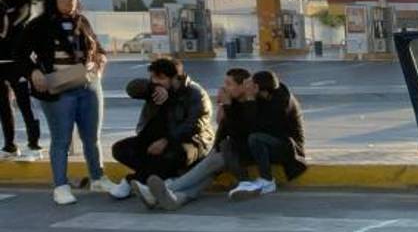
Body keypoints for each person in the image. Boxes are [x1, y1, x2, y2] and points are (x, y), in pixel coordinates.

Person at [20, 0, 115, 204]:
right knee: (61, 140)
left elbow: (99, 50)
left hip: (89, 86)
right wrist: (33, 72)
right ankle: (61, 186)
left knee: (92, 138)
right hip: (59, 90)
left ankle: (98, 177)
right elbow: (20, 54)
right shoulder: (39, 25)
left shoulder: (82, 22)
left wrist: (100, 60)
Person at [145, 67, 255, 210]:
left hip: (246, 151)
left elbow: (241, 135)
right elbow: (224, 136)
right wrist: (224, 113)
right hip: (230, 151)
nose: (224, 88)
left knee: (216, 160)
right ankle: (176, 199)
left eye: (229, 84)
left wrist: (227, 107)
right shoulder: (232, 104)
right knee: (208, 173)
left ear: (242, 86)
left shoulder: (250, 104)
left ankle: (163, 190)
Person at [108, 57, 213, 201]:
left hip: (191, 142)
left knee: (174, 154)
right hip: (154, 139)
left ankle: (133, 180)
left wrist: (166, 140)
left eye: (161, 78)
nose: (156, 81)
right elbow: (131, 88)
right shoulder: (155, 89)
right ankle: (164, 178)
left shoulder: (195, 94)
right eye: (153, 77)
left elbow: (193, 126)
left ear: (175, 78)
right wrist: (153, 87)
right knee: (120, 149)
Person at [228, 70, 306, 199]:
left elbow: (258, 127)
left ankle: (267, 180)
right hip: (271, 141)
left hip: (289, 147)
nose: (247, 87)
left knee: (255, 138)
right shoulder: (264, 95)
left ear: (257, 88)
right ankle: (245, 182)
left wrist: (250, 99)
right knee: (235, 142)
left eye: (251, 84)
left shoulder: (281, 102)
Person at [0, 0, 42, 160]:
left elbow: (13, 24)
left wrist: (4, 13)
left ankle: (34, 144)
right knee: (3, 105)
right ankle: (9, 145)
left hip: (18, 60)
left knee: (25, 103)